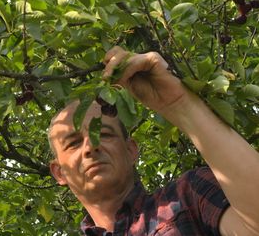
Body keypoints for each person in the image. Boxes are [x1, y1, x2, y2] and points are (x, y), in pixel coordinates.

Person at [48, 46, 259, 235]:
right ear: (59, 172)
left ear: (131, 150)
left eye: (104, 134)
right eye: (73, 143)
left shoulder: (187, 197)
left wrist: (179, 103)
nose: (90, 147)